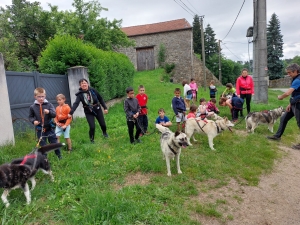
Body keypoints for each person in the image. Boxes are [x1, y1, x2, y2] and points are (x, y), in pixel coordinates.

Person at [267, 63, 300, 150]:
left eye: (290, 73)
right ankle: (277, 136)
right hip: (294, 104)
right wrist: (290, 104)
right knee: (283, 118)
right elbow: (295, 93)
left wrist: (280, 97)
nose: (288, 75)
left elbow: (288, 92)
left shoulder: (298, 80)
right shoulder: (295, 78)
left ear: (296, 71)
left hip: (298, 106)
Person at [68, 78, 108, 143]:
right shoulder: (79, 95)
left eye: (85, 83)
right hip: (88, 112)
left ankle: (104, 133)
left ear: (87, 84)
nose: (84, 84)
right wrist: (71, 113)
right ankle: (92, 140)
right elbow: (76, 104)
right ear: (80, 86)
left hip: (97, 109)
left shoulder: (93, 90)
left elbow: (100, 99)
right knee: (92, 126)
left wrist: (105, 108)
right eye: (82, 83)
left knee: (103, 124)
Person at [29, 87, 62, 159]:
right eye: (39, 97)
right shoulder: (32, 107)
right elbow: (30, 117)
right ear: (35, 97)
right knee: (43, 146)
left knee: (54, 143)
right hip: (40, 130)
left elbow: (54, 114)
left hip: (49, 128)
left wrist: (49, 112)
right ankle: (44, 160)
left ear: (45, 96)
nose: (41, 98)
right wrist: (33, 121)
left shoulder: (49, 105)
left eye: (42, 96)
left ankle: (59, 157)